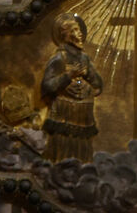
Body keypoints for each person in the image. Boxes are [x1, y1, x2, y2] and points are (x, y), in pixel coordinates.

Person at [42, 13, 103, 161]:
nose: (79, 34)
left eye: (79, 30)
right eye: (74, 30)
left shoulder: (84, 58)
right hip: (64, 114)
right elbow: (47, 86)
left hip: (83, 115)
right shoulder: (59, 58)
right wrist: (68, 76)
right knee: (63, 149)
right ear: (65, 35)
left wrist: (87, 74)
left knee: (82, 152)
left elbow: (98, 85)